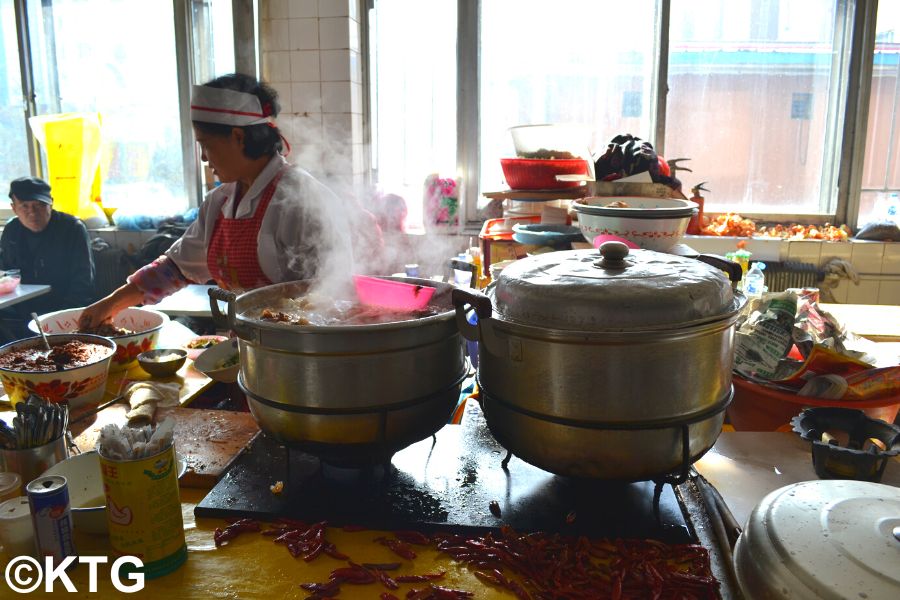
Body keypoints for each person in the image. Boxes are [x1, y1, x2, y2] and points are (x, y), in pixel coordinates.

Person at [78, 73, 360, 330]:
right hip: (246, 347)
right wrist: (110, 304)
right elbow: (175, 268)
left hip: (298, 354)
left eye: (206, 145)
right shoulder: (220, 202)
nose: (203, 157)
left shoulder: (303, 200)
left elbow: (335, 296)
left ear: (238, 137)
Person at [0, 176, 95, 341]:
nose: (33, 213)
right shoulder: (11, 231)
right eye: (25, 206)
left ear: (51, 203)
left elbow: (83, 283)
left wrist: (63, 319)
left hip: (62, 309)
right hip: (22, 311)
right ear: (14, 208)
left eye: (39, 205)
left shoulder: (72, 229)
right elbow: (6, 274)